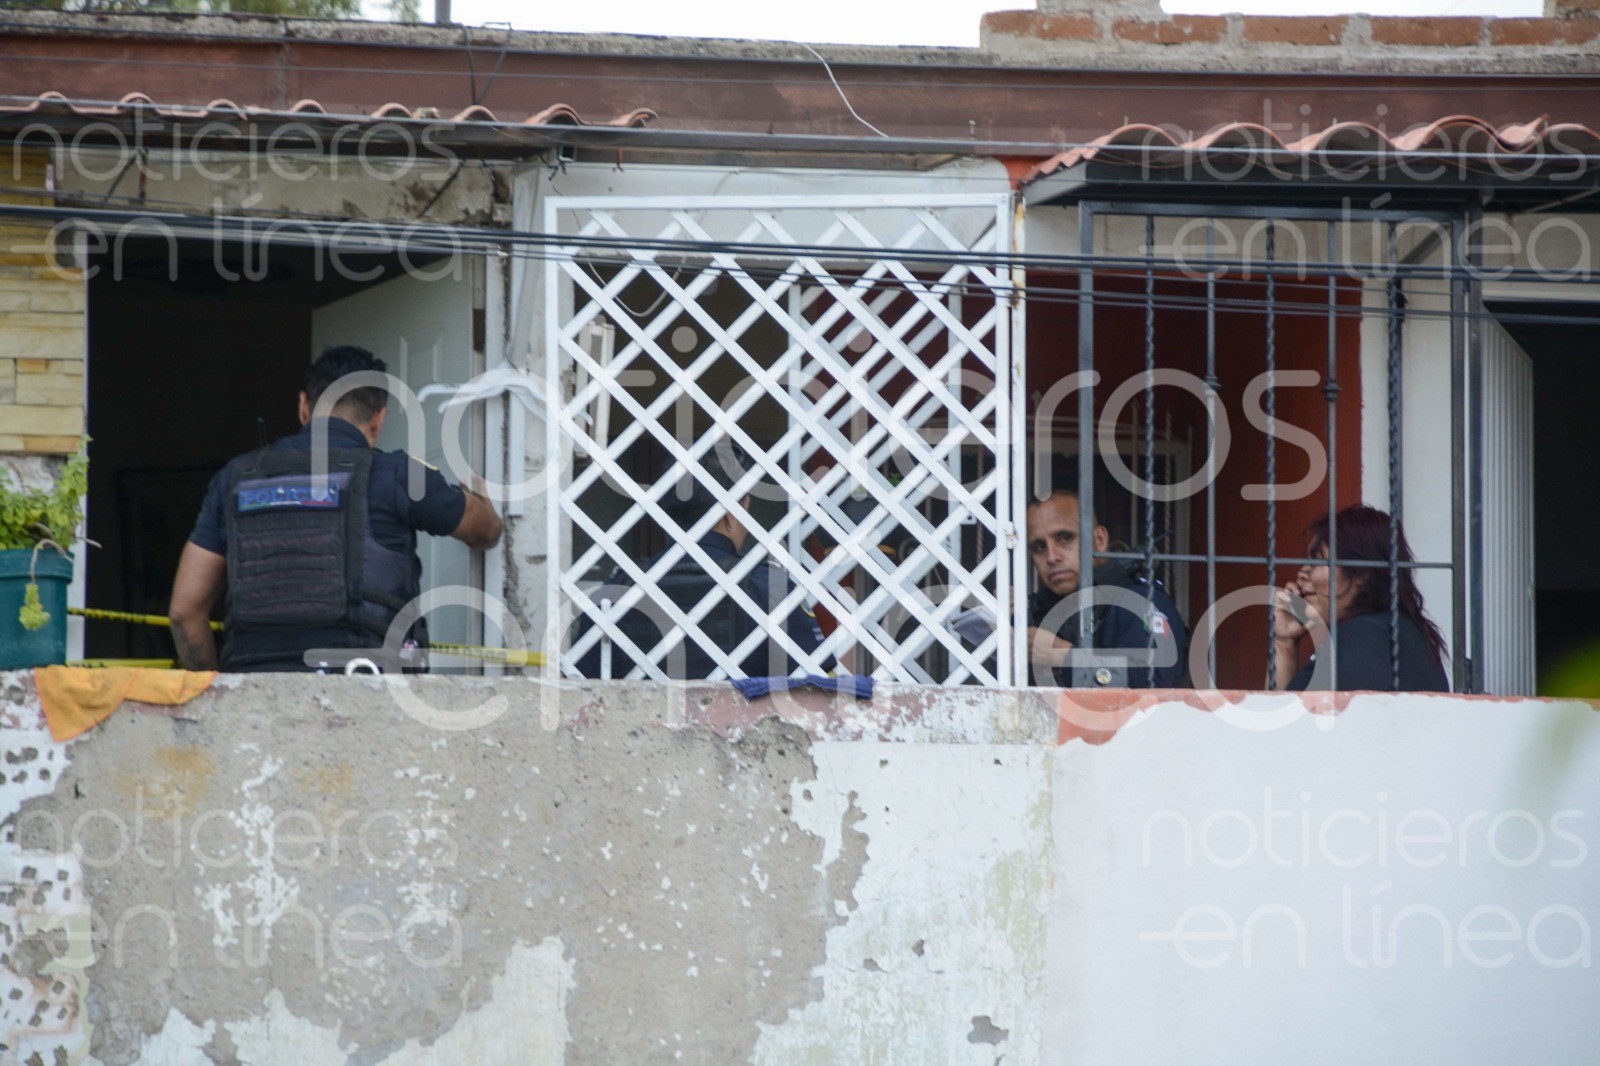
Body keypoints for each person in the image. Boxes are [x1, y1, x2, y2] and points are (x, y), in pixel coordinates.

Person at [168, 346, 502, 672]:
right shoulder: (397, 475)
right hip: (365, 687)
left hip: (253, 688)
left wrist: (217, 692)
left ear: (303, 406)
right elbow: (486, 531)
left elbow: (185, 611)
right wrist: (481, 502)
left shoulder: (234, 478)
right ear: (378, 420)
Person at [573, 446, 826, 680]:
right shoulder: (770, 588)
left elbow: (581, 683)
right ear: (731, 514)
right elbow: (818, 688)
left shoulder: (619, 588)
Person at [1269, 505, 1449, 692]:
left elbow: (1323, 719)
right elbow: (1281, 717)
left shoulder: (1366, 634)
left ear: (1362, 571)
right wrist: (1283, 642)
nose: (1303, 573)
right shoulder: (1380, 630)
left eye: (1319, 560)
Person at [1025, 487, 1190, 688]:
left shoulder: (1141, 601)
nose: (1052, 557)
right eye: (1039, 547)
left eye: (1064, 538)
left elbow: (1154, 680)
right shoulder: (1039, 609)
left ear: (1099, 540)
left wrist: (1066, 656)